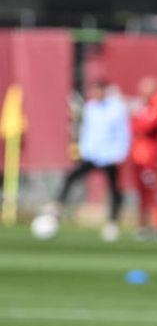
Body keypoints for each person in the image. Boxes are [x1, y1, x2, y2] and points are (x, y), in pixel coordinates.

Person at [47, 79, 130, 242]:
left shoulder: (116, 109)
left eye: (99, 91)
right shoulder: (91, 108)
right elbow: (86, 131)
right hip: (92, 154)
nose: (96, 94)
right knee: (70, 177)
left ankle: (112, 222)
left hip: (110, 156)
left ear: (105, 91)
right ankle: (57, 209)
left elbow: (123, 132)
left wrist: (120, 153)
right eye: (94, 91)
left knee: (114, 190)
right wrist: (82, 150)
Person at [129, 76, 157, 240]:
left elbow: (146, 125)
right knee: (142, 193)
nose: (141, 91)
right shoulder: (144, 105)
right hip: (138, 156)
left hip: (149, 157)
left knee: (152, 191)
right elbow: (135, 126)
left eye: (145, 87)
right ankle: (143, 226)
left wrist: (138, 123)